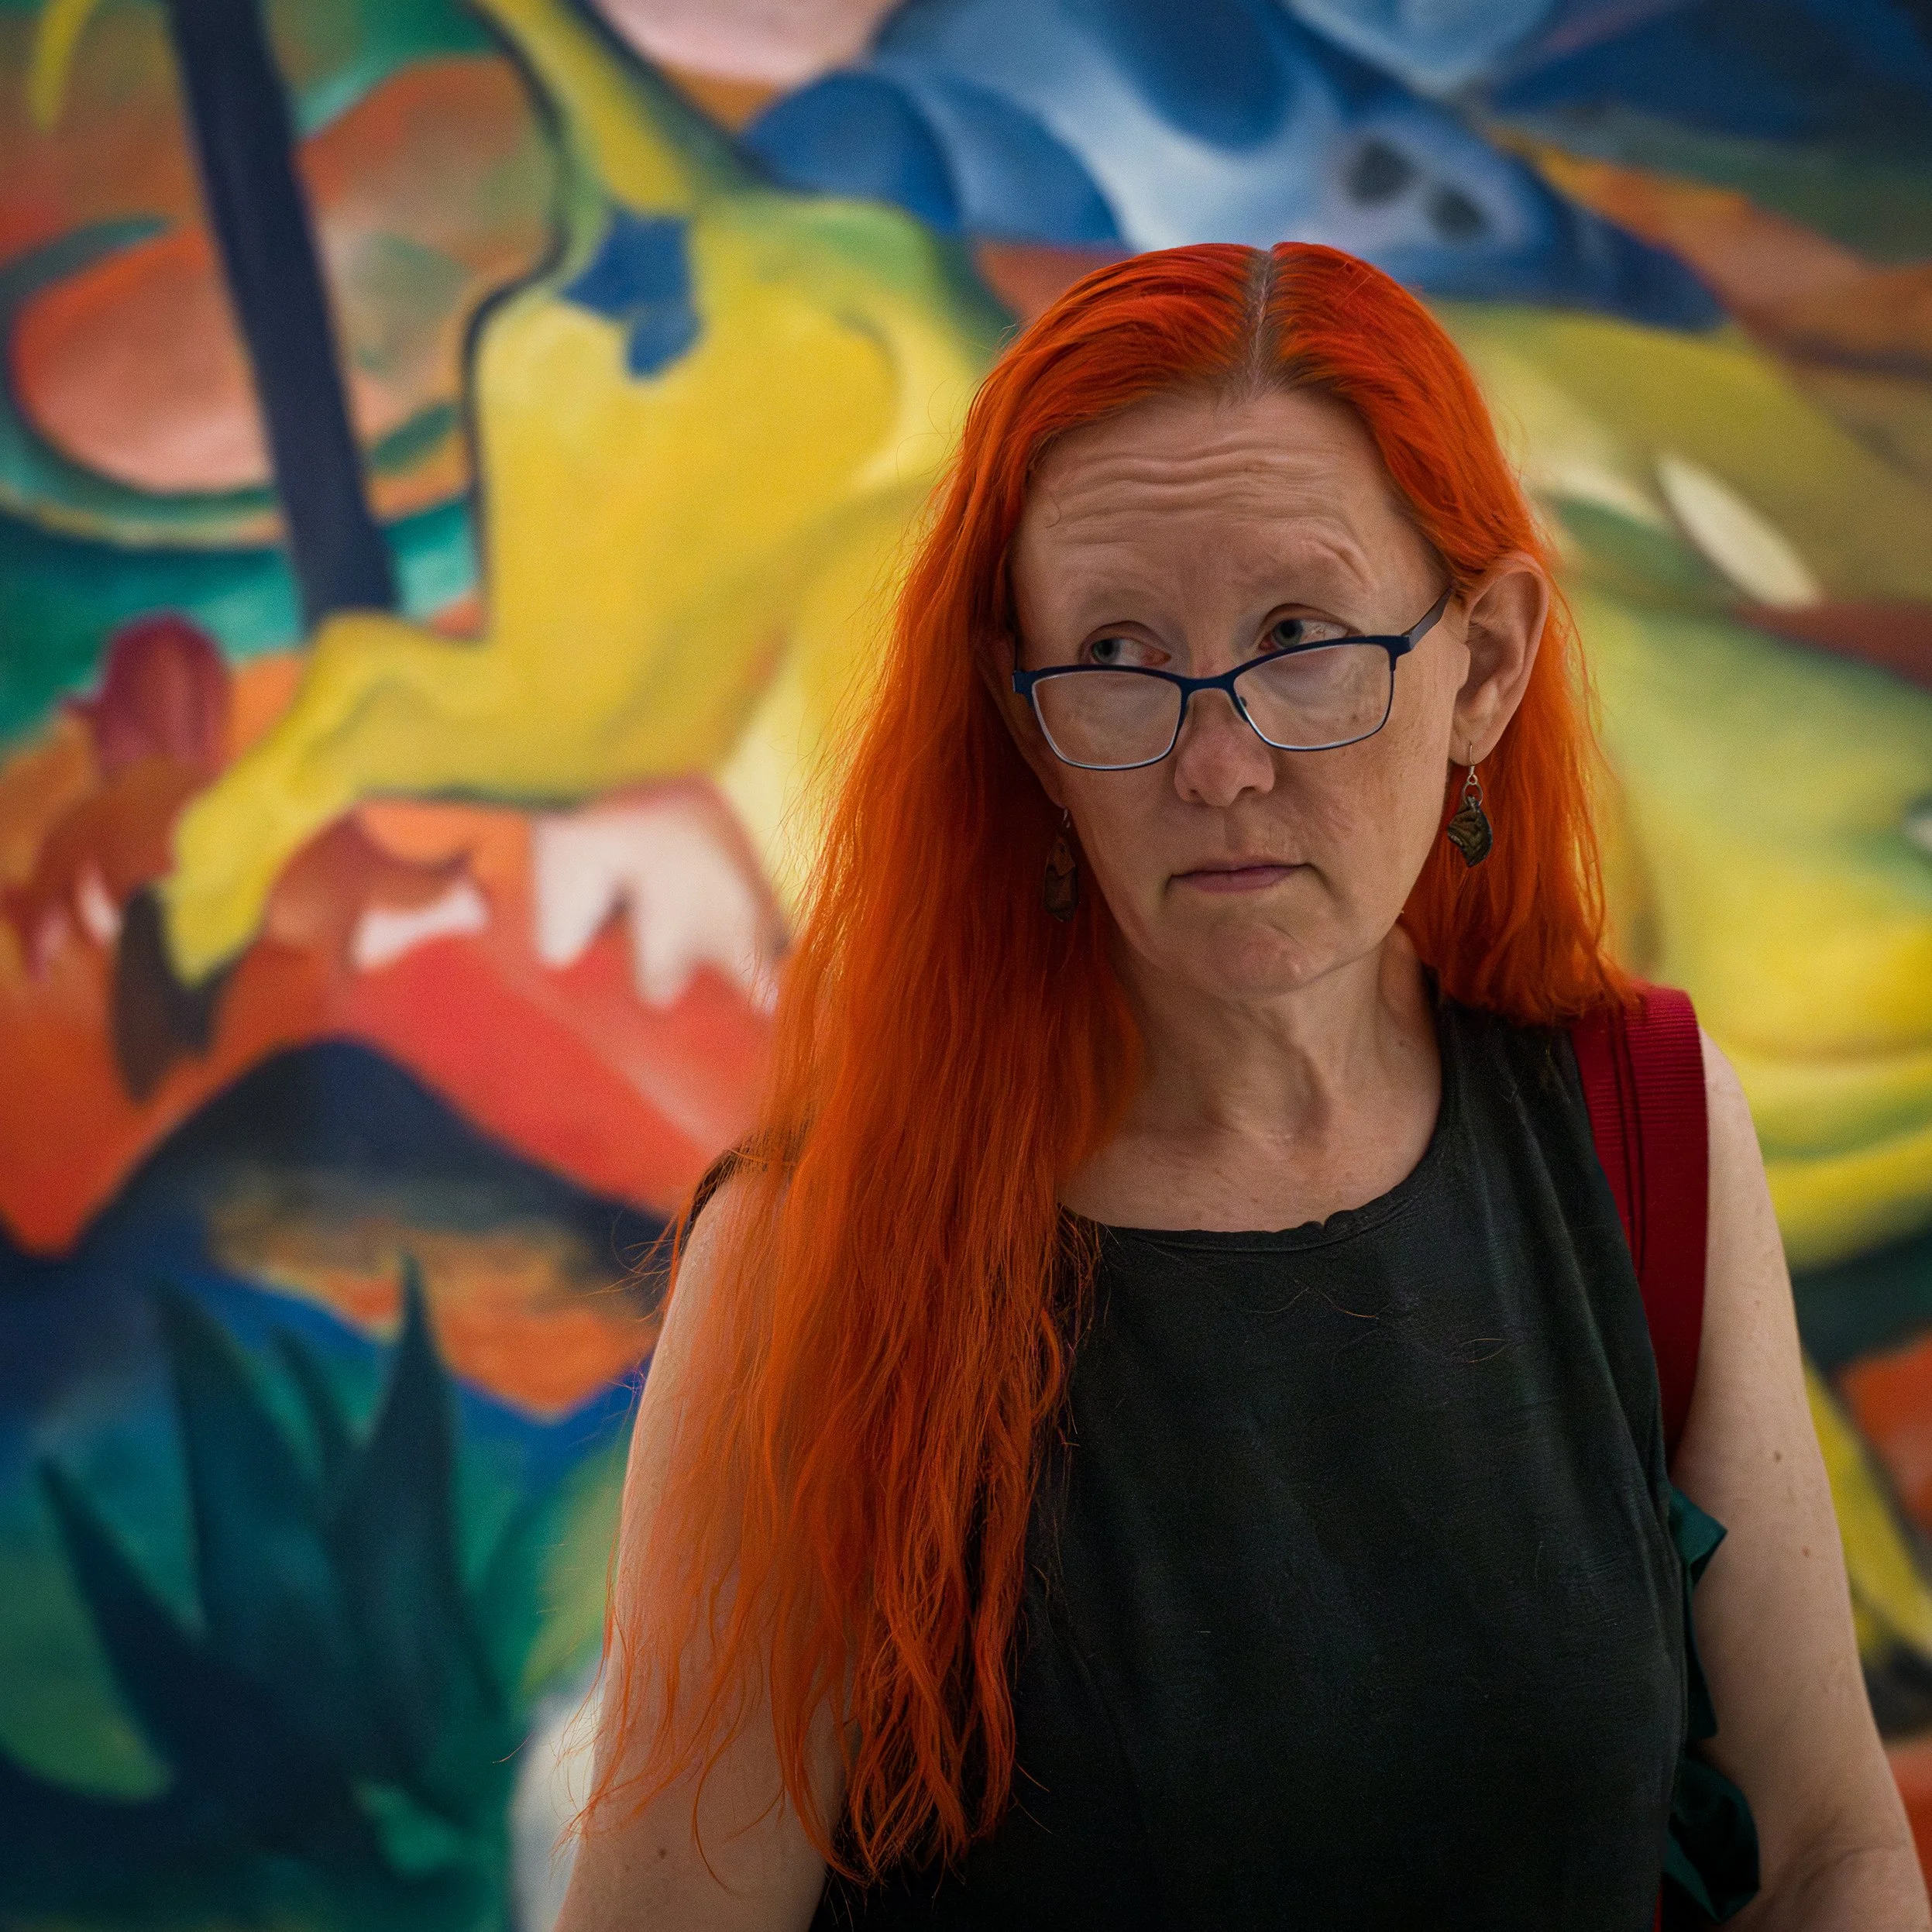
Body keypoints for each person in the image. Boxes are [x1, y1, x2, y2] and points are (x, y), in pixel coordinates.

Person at [554, 243, 1927, 1930]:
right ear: (1024, 718)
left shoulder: (1641, 1123)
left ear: (1480, 668)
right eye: (1119, 652)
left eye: (1298, 635)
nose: (1216, 759)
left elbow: (1832, 1850)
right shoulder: (810, 1262)